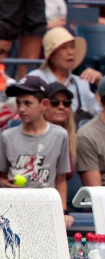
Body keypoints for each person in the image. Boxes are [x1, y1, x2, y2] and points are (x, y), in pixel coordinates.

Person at [0, 76, 73, 228]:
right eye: (18, 103)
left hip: (46, 209)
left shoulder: (60, 135)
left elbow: (60, 179)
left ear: (44, 104)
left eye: (27, 103)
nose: (21, 109)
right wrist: (5, 184)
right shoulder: (7, 136)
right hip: (13, 210)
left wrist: (63, 212)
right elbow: (1, 177)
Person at [27, 27, 102, 123]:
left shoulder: (81, 83)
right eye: (63, 48)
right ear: (52, 55)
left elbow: (98, 113)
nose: (70, 52)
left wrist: (100, 83)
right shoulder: (35, 79)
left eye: (72, 47)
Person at [44, 82, 78, 180]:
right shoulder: (34, 135)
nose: (61, 107)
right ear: (44, 105)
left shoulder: (73, 137)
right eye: (55, 102)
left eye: (66, 103)